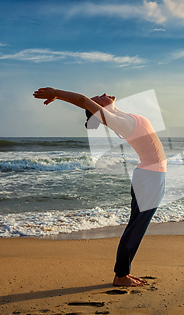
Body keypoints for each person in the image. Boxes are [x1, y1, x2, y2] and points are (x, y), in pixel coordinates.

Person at [33, 87, 166, 287]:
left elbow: (93, 103)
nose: (101, 93)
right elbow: (83, 100)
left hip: (150, 175)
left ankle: (123, 272)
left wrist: (105, 105)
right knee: (136, 227)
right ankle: (121, 275)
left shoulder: (119, 115)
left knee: (135, 226)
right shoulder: (117, 121)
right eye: (96, 98)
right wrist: (56, 93)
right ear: (98, 107)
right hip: (150, 176)